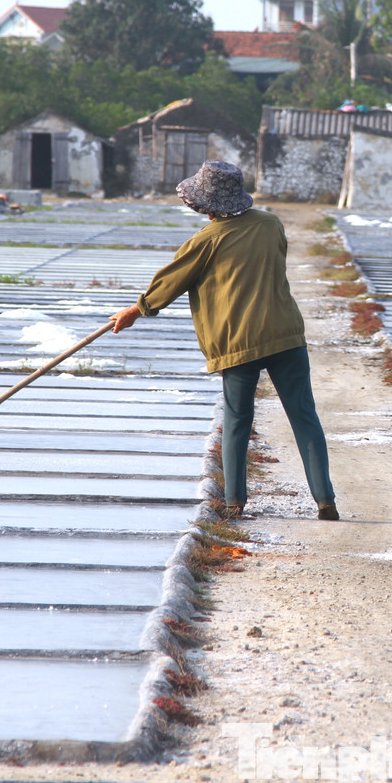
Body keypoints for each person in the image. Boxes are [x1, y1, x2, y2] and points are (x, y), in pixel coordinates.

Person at [110, 160, 338, 521]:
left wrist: (134, 311)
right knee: (304, 415)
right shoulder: (271, 224)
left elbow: (168, 284)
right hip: (285, 334)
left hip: (238, 341)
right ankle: (326, 500)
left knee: (237, 420)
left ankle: (234, 502)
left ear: (205, 205)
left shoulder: (205, 241)